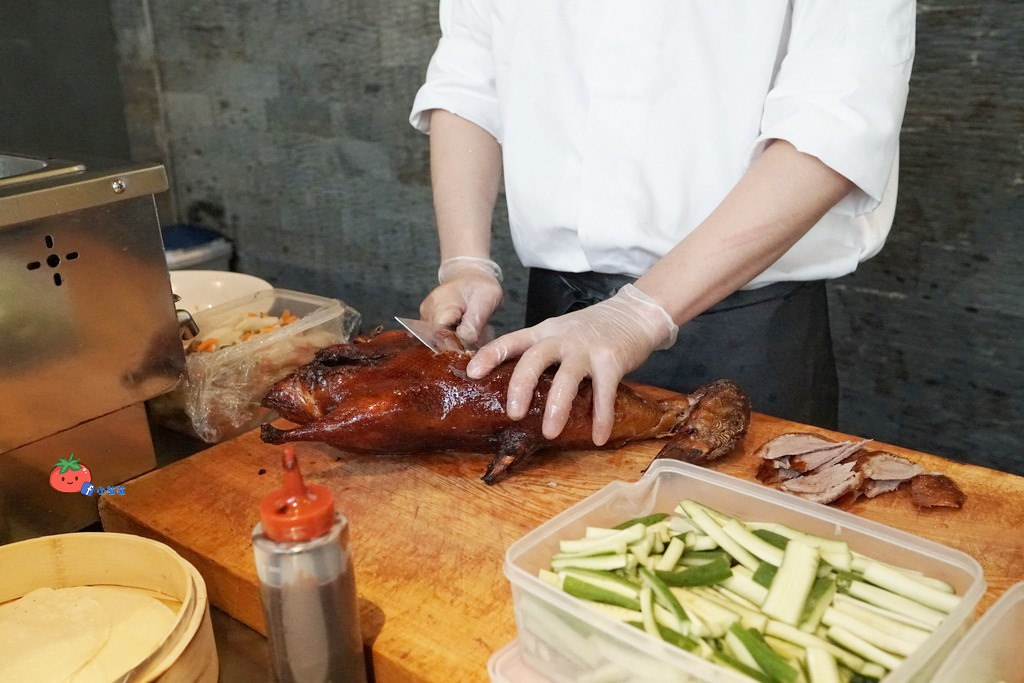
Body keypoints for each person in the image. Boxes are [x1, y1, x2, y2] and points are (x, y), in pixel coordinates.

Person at [409, 2, 915, 446]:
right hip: (553, 322)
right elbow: (470, 77)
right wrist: (465, 261)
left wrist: (636, 315)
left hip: (746, 331)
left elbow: (835, 122)